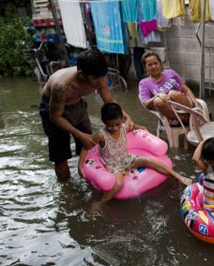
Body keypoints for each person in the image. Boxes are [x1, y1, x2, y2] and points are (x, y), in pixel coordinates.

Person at [39, 49, 134, 181]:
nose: (100, 82)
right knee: (61, 155)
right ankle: (67, 190)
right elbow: (55, 117)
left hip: (78, 104)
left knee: (90, 146)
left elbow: (109, 101)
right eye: (95, 78)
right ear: (82, 75)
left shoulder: (99, 76)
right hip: (53, 108)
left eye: (102, 76)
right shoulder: (62, 86)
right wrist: (80, 135)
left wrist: (126, 117)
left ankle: (89, 180)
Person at [78, 103, 192, 212]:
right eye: (110, 125)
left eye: (117, 124)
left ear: (122, 119)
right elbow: (86, 146)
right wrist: (80, 166)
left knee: (149, 161)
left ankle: (178, 176)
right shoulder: (101, 135)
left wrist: (144, 129)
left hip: (127, 158)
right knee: (118, 184)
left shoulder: (124, 127)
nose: (114, 128)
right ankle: (100, 203)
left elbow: (137, 127)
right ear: (103, 122)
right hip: (113, 164)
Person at [138, 51, 198, 124]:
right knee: (158, 101)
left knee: (173, 94)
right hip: (171, 112)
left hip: (185, 104)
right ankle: (186, 119)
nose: (153, 66)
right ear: (145, 68)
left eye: (156, 63)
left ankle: (194, 115)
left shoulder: (170, 73)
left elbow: (186, 90)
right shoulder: (144, 83)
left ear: (160, 63)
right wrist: (158, 95)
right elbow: (146, 104)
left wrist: (196, 106)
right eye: (150, 65)